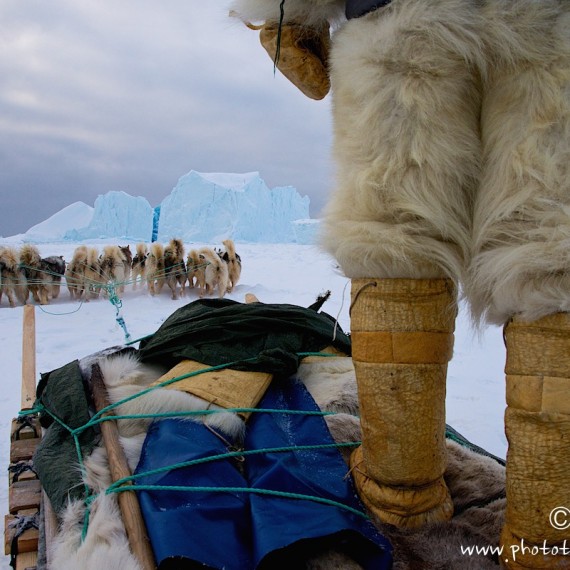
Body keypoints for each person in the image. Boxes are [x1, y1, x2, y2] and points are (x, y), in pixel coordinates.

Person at [230, 1, 570, 567]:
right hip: (552, 27)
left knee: (395, 240)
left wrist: (284, 17)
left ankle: (402, 493)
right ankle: (548, 538)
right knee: (550, 256)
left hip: (402, 25)